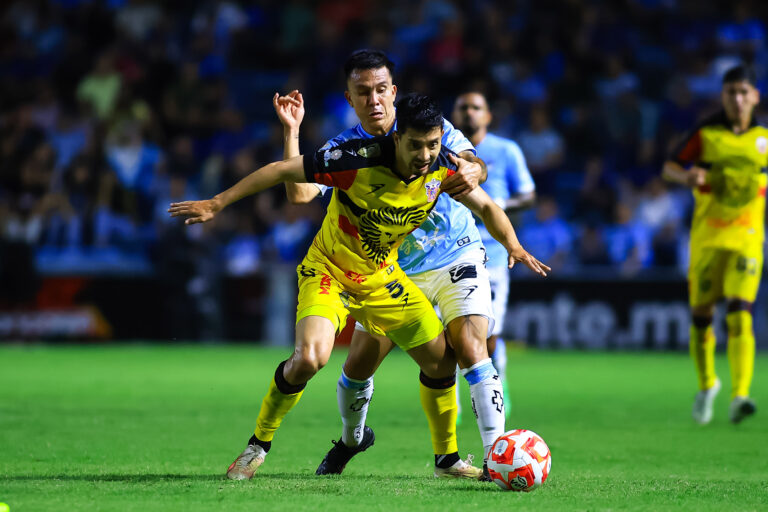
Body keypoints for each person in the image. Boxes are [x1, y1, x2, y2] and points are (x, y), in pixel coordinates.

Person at [169, 93, 549, 480]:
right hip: (329, 272)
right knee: (311, 359)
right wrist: (218, 202)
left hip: (383, 277)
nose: (424, 155)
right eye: (415, 146)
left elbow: (486, 204)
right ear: (398, 138)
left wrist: (514, 246)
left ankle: (447, 460)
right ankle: (257, 446)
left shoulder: (443, 164)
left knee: (443, 360)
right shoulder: (354, 157)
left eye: (432, 146)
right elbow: (282, 172)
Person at [278, 50, 526, 479]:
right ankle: (352, 438)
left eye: (380, 90)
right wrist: (293, 132)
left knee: (469, 347)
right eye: (363, 93)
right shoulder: (346, 151)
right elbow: (300, 196)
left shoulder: (428, 124)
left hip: (455, 252)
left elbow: (475, 166)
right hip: (392, 270)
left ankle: (491, 461)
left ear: (392, 92)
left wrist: (474, 172)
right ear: (350, 99)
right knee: (358, 366)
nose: (374, 100)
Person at [662, 65, 766, 425]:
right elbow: (669, 168)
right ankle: (707, 385)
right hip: (707, 237)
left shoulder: (764, 138)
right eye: (730, 92)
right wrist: (686, 174)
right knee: (702, 318)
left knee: (740, 313)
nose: (737, 99)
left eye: (743, 92)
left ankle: (740, 395)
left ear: (755, 96)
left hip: (747, 239)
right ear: (722, 96)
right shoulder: (706, 134)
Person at [451, 91, 536, 419]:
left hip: (495, 252)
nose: (469, 113)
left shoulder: (506, 150)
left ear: (487, 116)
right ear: (454, 116)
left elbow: (528, 195)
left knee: (487, 332)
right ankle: (454, 398)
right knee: (453, 332)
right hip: (453, 250)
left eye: (476, 108)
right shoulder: (441, 151)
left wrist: (500, 206)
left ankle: (497, 381)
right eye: (463, 107)